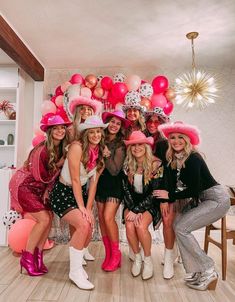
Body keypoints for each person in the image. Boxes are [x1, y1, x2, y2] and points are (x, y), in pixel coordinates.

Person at [155, 121, 230, 290]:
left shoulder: (194, 157)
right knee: (177, 225)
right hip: (204, 199)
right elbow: (172, 182)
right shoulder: (174, 160)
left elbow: (194, 189)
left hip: (217, 199)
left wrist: (170, 195)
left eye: (180, 137)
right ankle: (198, 271)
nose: (176, 141)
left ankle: (208, 269)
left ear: (188, 139)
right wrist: (165, 198)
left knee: (181, 227)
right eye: (172, 138)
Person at [50, 115, 107, 290]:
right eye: (92, 132)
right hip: (63, 191)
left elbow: (93, 185)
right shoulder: (76, 147)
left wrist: (88, 209)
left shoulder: (100, 155)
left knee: (88, 224)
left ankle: (78, 263)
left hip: (81, 192)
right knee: (83, 224)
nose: (96, 135)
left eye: (99, 132)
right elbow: (75, 179)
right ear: (86, 134)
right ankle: (75, 272)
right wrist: (81, 207)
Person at [9, 114, 70, 276]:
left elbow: (48, 180)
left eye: (62, 128)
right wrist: (59, 164)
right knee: (43, 220)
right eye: (55, 128)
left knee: (48, 219)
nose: (60, 131)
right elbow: (40, 176)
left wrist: (47, 190)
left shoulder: (60, 148)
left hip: (40, 189)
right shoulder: (42, 149)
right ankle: (27, 258)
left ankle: (38, 257)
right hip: (26, 187)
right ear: (49, 131)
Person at [122, 131, 162, 280]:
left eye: (140, 144)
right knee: (129, 225)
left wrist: (138, 210)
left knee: (140, 226)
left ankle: (148, 260)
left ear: (146, 147)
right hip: (132, 203)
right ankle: (137, 257)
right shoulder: (127, 165)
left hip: (150, 204)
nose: (136, 148)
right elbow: (125, 190)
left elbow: (154, 192)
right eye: (133, 145)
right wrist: (133, 209)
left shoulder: (157, 164)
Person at [66, 94, 101, 261]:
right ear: (77, 112)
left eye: (89, 109)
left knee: (85, 217)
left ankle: (83, 248)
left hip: (85, 178)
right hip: (71, 176)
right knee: (79, 219)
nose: (86, 111)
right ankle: (78, 251)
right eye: (83, 109)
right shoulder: (71, 132)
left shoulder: (97, 147)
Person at [145, 107, 178, 279]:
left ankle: (169, 256)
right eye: (149, 121)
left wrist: (166, 196)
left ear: (163, 123)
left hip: (168, 187)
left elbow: (167, 171)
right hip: (151, 187)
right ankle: (142, 255)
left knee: (168, 221)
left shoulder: (165, 142)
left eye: (156, 121)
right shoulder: (145, 138)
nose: (152, 124)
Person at [96, 110, 130, 272]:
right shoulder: (98, 138)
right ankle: (108, 253)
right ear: (107, 122)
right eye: (112, 121)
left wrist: (106, 155)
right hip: (100, 183)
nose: (115, 125)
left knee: (109, 218)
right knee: (101, 219)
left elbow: (115, 170)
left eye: (118, 123)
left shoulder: (120, 144)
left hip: (114, 184)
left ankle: (116, 254)